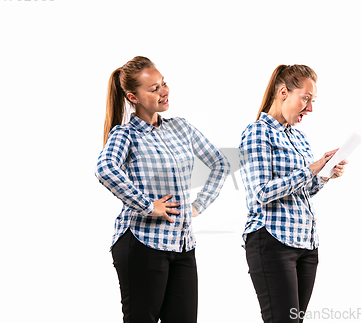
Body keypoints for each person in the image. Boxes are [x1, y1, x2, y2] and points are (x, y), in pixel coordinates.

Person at [95, 56, 229, 323]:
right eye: (153, 89)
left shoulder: (180, 128)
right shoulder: (125, 135)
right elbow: (105, 169)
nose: (164, 92)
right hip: (142, 244)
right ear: (133, 97)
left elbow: (220, 164)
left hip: (182, 246)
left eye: (163, 84)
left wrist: (197, 206)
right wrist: (148, 206)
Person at [239, 64, 348, 323]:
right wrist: (312, 168)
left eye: (313, 100)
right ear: (284, 92)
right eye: (306, 99)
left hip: (306, 243)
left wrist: (325, 174)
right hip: (272, 240)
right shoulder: (257, 132)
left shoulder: (299, 138)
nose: (310, 108)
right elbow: (261, 192)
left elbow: (305, 189)